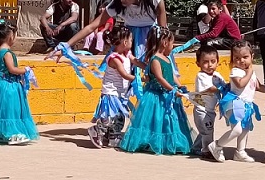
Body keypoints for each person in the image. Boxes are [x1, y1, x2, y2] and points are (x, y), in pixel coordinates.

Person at [119, 26, 194, 155]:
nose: (173, 45)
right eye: (172, 43)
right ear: (165, 43)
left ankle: (170, 143)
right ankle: (150, 143)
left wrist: (180, 86)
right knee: (156, 119)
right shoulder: (155, 59)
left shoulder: (167, 58)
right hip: (156, 96)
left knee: (169, 120)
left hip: (169, 94)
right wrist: (172, 89)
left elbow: (173, 75)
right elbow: (159, 78)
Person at [208, 41, 265, 163]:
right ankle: (217, 145)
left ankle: (240, 151)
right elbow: (240, 84)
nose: (241, 61)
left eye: (245, 57)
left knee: (245, 128)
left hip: (246, 105)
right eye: (237, 58)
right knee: (237, 129)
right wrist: (250, 72)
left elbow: (259, 87)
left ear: (252, 56)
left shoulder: (251, 73)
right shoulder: (236, 71)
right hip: (234, 103)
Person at [87, 26, 136, 148]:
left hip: (121, 93)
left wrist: (147, 67)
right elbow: (124, 74)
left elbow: (137, 61)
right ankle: (96, 130)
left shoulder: (127, 54)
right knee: (110, 117)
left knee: (119, 117)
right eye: (131, 40)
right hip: (111, 93)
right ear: (125, 42)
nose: (132, 42)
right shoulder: (115, 58)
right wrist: (138, 80)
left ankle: (114, 137)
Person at [190, 45, 226, 158]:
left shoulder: (217, 75)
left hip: (210, 110)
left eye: (213, 61)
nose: (210, 65)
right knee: (207, 130)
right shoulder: (201, 76)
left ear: (217, 62)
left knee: (205, 131)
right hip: (202, 110)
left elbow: (225, 86)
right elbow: (209, 89)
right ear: (198, 63)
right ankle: (207, 150)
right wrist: (222, 88)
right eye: (205, 62)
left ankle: (196, 148)